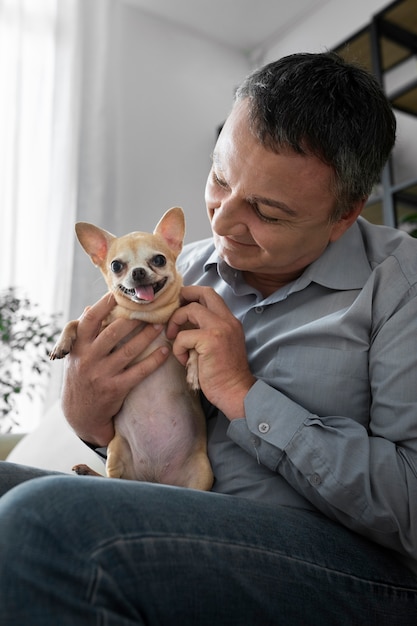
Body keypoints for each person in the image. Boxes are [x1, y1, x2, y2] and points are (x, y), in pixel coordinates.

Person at [0, 51, 417, 624]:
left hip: (346, 562)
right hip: (168, 512)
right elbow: (138, 428)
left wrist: (243, 393)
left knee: (48, 523)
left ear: (344, 214)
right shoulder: (178, 267)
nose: (219, 222)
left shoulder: (400, 286)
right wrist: (86, 418)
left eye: (265, 211)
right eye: (220, 177)